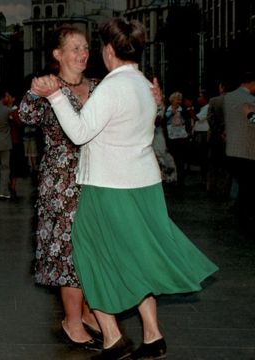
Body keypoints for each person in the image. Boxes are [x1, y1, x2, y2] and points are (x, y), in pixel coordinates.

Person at [33, 18, 218, 360]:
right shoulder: (145, 85)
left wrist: (57, 95)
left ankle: (113, 337)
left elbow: (79, 133)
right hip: (144, 183)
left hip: (109, 185)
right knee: (137, 255)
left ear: (107, 50)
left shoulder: (111, 87)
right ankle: (152, 336)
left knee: (90, 255)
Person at [19, 24, 101, 351]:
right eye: (75, 48)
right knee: (68, 252)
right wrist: (34, 91)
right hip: (62, 182)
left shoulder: (97, 87)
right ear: (58, 54)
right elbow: (25, 115)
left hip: (98, 177)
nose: (82, 54)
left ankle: (88, 312)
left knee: (94, 250)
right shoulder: (50, 88)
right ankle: (71, 320)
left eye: (85, 48)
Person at [222, 71, 255, 220]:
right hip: (248, 149)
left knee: (241, 183)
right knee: (248, 185)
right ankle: (244, 213)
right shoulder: (250, 100)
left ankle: (239, 210)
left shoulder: (227, 98)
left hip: (232, 148)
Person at [206, 82, 231, 198]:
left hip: (215, 138)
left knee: (213, 165)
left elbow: (210, 119)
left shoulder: (214, 101)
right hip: (230, 137)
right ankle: (224, 190)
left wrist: (218, 132)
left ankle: (212, 188)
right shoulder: (235, 101)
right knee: (227, 167)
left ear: (221, 87)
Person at [163, 91, 193, 188]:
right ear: (172, 100)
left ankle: (180, 181)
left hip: (182, 137)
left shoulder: (183, 110)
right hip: (172, 137)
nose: (179, 101)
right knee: (173, 159)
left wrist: (188, 133)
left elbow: (188, 120)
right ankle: (172, 179)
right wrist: (172, 113)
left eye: (180, 99)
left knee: (181, 160)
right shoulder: (167, 109)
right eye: (177, 99)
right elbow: (164, 121)